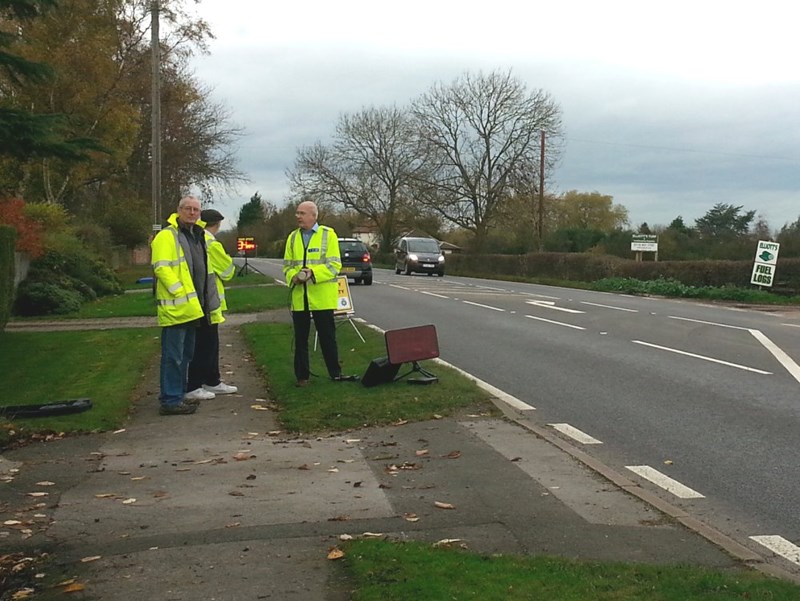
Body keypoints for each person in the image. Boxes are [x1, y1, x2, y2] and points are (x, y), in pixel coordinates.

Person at [151, 195, 220, 415]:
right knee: (173, 356)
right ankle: (170, 400)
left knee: (186, 355)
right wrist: (179, 291)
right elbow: (161, 267)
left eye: (196, 210)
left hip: (194, 307)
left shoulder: (196, 235)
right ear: (179, 210)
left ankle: (178, 397)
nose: (192, 213)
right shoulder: (167, 235)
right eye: (188, 209)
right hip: (176, 306)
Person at [283, 200, 358, 386]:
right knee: (300, 339)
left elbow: (334, 265)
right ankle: (302, 376)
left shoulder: (328, 235)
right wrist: (294, 276)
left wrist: (312, 273)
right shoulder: (293, 237)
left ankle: (335, 373)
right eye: (297, 213)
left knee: (327, 337)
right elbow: (287, 265)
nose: (298, 217)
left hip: (322, 297)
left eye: (302, 213)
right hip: (300, 296)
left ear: (313, 216)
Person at [185, 208, 238, 398]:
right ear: (217, 224)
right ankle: (195, 384)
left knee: (208, 343)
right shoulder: (211, 244)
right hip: (210, 302)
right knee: (206, 345)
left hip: (200, 300)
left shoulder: (194, 239)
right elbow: (228, 272)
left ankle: (212, 380)